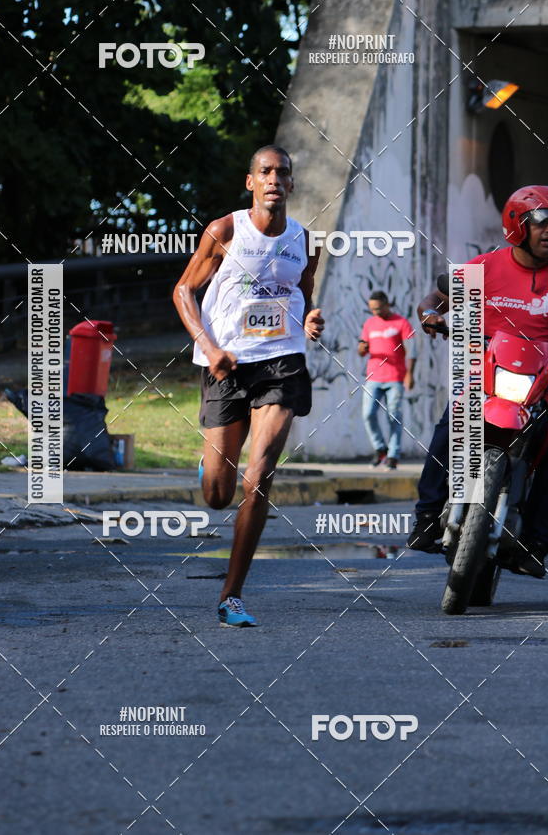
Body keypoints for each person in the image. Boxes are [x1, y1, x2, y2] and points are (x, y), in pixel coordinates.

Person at [173, 145, 324, 626]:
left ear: (292, 184)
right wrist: (209, 346)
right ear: (251, 181)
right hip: (226, 364)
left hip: (281, 361)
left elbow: (304, 292)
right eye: (266, 171)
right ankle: (209, 466)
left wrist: (312, 317)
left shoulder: (304, 239)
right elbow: (182, 290)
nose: (275, 179)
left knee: (258, 479)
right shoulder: (225, 231)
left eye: (282, 172)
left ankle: (231, 595)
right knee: (218, 493)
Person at [407, 185, 548, 577]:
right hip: (487, 378)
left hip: (547, 390)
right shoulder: (487, 268)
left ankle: (536, 545)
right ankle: (425, 517)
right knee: (451, 423)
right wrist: (430, 318)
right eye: (544, 223)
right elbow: (432, 301)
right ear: (518, 225)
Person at [358, 291, 416, 469]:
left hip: (395, 378)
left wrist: (410, 374)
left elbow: (411, 351)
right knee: (368, 414)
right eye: (372, 309)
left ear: (386, 304)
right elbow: (361, 350)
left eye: (377, 308)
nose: (375, 312)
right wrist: (361, 348)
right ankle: (380, 448)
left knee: (394, 416)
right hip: (373, 377)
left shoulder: (401, 323)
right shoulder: (369, 324)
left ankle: (393, 455)